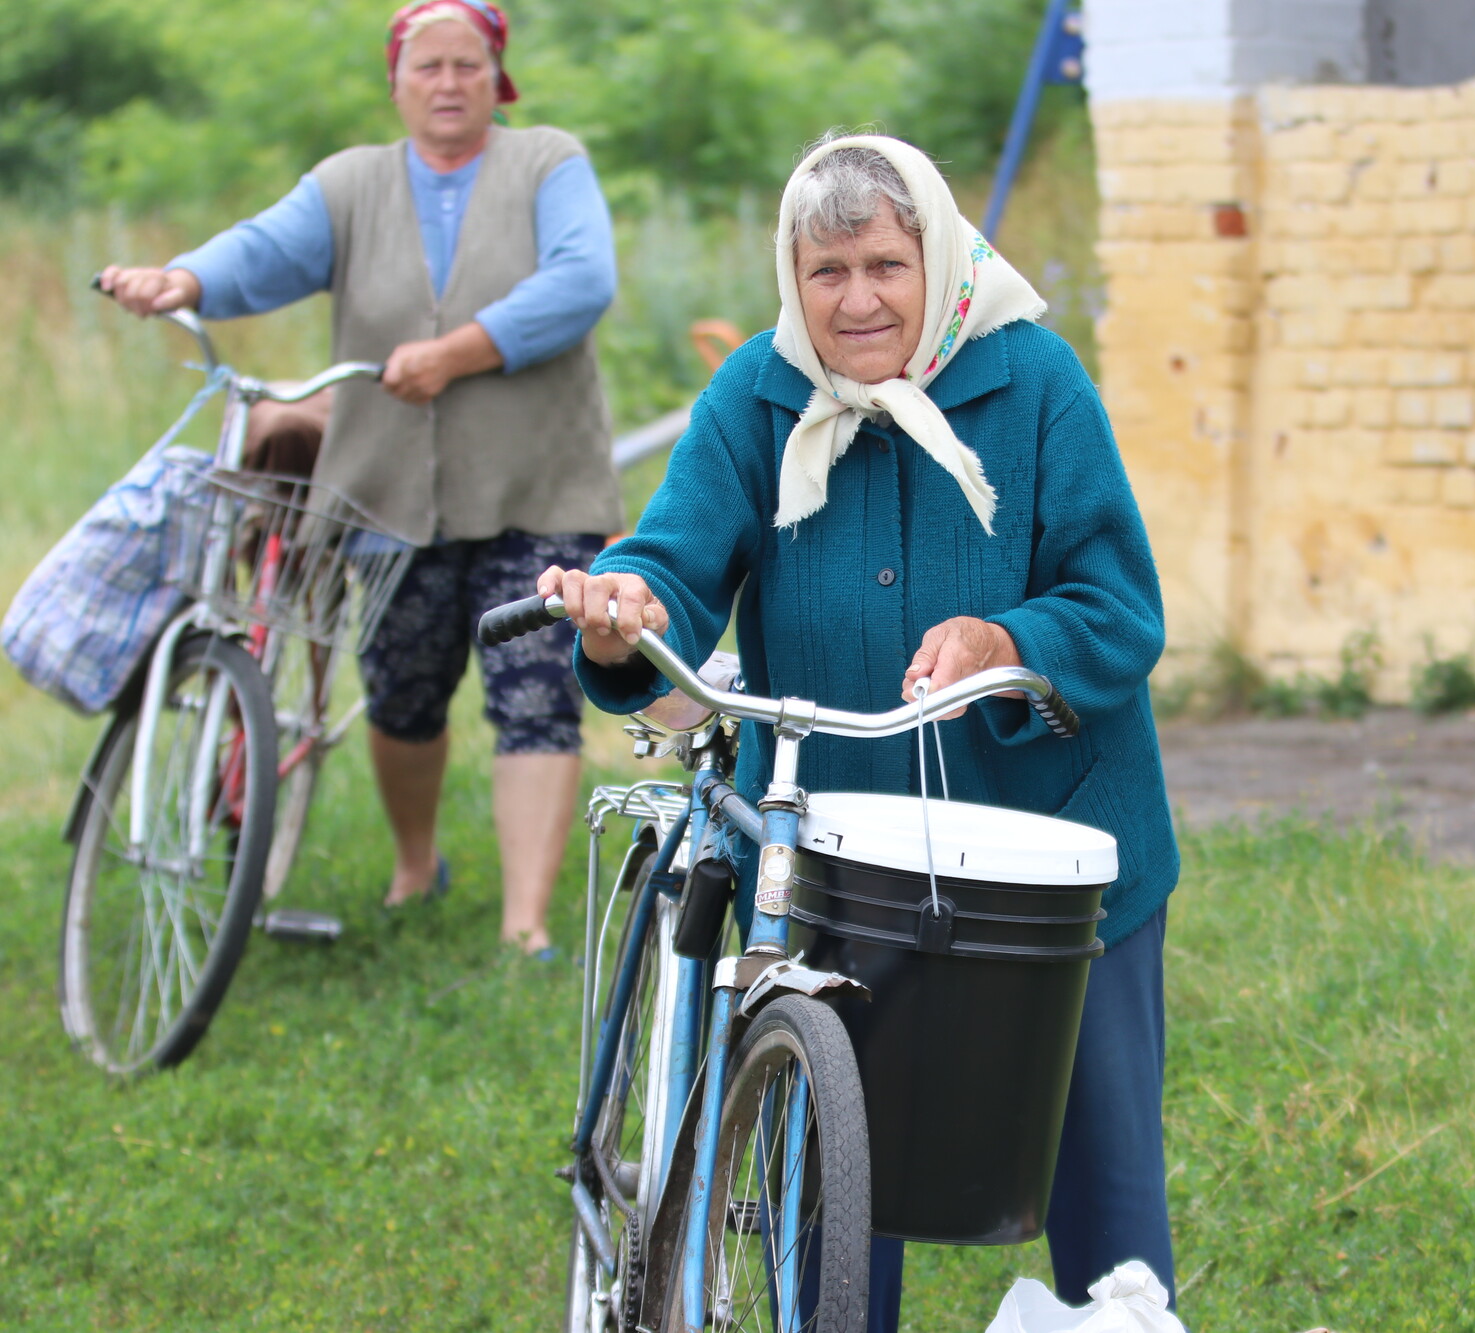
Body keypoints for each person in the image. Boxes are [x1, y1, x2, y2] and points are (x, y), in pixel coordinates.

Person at [542, 133, 1181, 1327]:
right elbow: (673, 557)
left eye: (885, 264)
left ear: (935, 256)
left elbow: (1118, 607)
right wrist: (626, 608)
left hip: (1057, 847)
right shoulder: (757, 391)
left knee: (1100, 1187)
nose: (858, 300)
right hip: (837, 853)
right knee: (824, 1167)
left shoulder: (1034, 382)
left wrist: (1007, 642)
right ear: (792, 279)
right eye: (825, 272)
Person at [97, 0, 622, 955]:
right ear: (397, 82)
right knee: (404, 696)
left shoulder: (548, 161)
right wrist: (185, 279)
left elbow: (583, 279)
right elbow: (263, 250)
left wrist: (457, 351)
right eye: (429, 68)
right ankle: (416, 863)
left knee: (536, 690)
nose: (449, 85)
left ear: (496, 78)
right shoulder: (351, 184)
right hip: (387, 494)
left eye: (468, 66)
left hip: (538, 487)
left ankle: (525, 926)